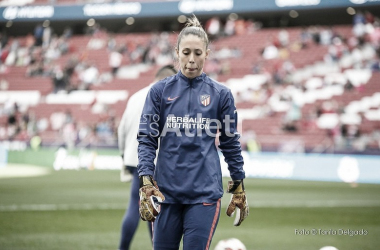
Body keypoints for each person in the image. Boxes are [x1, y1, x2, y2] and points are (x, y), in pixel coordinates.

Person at [137, 15, 249, 250]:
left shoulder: (222, 95)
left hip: (204, 196)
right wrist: (146, 178)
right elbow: (147, 138)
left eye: (198, 53)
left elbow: (230, 142)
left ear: (207, 54)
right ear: (176, 52)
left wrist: (238, 183)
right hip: (165, 194)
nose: (191, 59)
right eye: (186, 52)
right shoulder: (158, 92)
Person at [117, 65, 177, 250]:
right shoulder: (171, 98)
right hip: (158, 161)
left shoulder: (136, 96)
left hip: (134, 159)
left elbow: (122, 129)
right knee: (155, 207)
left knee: (137, 205)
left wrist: (123, 155)